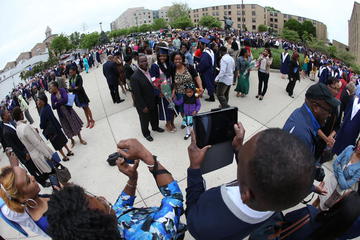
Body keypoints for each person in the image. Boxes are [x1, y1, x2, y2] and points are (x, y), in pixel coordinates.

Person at [185, 123, 315, 240]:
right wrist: (238, 147)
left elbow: (192, 214)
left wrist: (194, 169)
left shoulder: (202, 227)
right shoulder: (273, 199)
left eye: (241, 158)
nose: (240, 155)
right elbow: (253, 172)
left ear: (246, 195)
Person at [46, 138, 186, 240]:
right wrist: (147, 156)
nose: (101, 197)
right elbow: (174, 199)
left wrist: (132, 179)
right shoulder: (152, 236)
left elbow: (120, 207)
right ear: (99, 221)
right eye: (96, 200)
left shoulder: (102, 227)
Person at [1, 110, 48, 186]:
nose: (9, 114)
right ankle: (42, 183)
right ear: (4, 117)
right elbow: (14, 147)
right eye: (7, 113)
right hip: (23, 153)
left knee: (35, 165)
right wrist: (23, 154)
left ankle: (44, 176)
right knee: (32, 169)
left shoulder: (12, 123)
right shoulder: (5, 132)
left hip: (27, 148)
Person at [0, 166, 50, 237]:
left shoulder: (39, 197)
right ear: (22, 198)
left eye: (27, 173)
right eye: (28, 181)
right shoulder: (47, 221)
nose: (33, 177)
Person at [12, 107, 53, 180]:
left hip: (34, 155)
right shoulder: (25, 127)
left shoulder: (17, 128)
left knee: (50, 175)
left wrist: (33, 131)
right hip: (40, 153)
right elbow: (36, 143)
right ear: (21, 114)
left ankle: (58, 188)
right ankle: (62, 188)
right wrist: (48, 155)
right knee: (53, 173)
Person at [131, 54, 164, 142]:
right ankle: (146, 134)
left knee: (154, 115)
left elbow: (154, 84)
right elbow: (136, 94)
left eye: (145, 60)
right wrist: (143, 106)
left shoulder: (150, 71)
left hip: (152, 100)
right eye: (142, 61)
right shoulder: (135, 77)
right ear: (138, 63)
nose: (144, 63)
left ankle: (155, 127)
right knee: (144, 119)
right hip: (143, 103)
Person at [319, 139, 360, 211]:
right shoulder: (350, 148)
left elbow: (345, 186)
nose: (359, 146)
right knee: (318, 199)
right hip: (330, 182)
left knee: (323, 209)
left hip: (337, 192)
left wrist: (339, 170)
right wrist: (341, 178)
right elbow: (335, 163)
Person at [49, 81, 87, 148]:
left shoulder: (62, 90)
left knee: (74, 124)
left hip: (68, 110)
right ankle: (72, 140)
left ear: (55, 87)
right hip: (61, 114)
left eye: (51, 87)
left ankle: (80, 139)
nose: (50, 89)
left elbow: (66, 99)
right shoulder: (52, 96)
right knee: (66, 127)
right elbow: (53, 107)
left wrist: (57, 103)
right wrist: (60, 101)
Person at [37, 94, 73, 161]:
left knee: (57, 144)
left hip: (51, 131)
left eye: (38, 100)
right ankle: (68, 151)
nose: (37, 102)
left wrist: (40, 125)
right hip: (56, 126)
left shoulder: (42, 111)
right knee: (62, 140)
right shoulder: (48, 106)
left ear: (42, 101)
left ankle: (64, 156)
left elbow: (42, 125)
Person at [172, 52, 203, 127]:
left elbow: (197, 77)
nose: (177, 61)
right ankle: (186, 121)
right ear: (173, 60)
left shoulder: (189, 67)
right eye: (175, 59)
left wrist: (200, 87)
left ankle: (193, 123)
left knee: (193, 108)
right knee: (183, 110)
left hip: (191, 92)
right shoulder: (173, 69)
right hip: (180, 93)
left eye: (179, 59)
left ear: (182, 59)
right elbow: (173, 82)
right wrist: (173, 92)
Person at [149, 47, 176, 132]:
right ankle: (168, 124)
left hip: (171, 89)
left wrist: (174, 89)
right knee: (166, 108)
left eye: (164, 56)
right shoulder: (155, 66)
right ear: (158, 56)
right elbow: (153, 80)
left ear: (167, 56)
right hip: (163, 91)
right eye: (160, 56)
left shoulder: (170, 64)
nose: (162, 58)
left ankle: (172, 122)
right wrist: (159, 92)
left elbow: (173, 76)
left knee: (173, 107)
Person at [197, 38, 216, 102]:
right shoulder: (210, 50)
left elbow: (204, 64)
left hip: (206, 71)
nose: (200, 46)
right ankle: (200, 93)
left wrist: (199, 68)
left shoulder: (205, 53)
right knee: (204, 83)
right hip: (211, 69)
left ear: (204, 45)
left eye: (200, 45)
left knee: (208, 83)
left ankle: (212, 97)